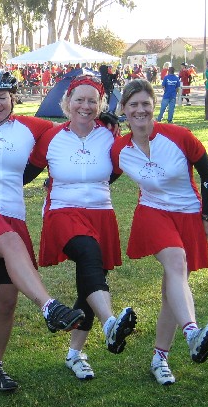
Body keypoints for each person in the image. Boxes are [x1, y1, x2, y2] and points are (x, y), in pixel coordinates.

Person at [0, 68, 86, 392]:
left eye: (2, 97)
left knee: (6, 302)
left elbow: (71, 129)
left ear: (13, 98)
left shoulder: (32, 127)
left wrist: (104, 121)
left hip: (10, 216)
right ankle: (50, 307)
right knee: (10, 242)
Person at [26, 75, 137, 380]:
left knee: (91, 282)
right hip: (62, 212)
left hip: (101, 213)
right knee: (88, 254)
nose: (85, 106)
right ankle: (110, 323)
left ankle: (75, 354)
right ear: (67, 102)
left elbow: (116, 170)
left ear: (101, 105)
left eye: (92, 101)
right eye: (79, 100)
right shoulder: (51, 137)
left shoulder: (110, 136)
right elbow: (23, 174)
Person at [111, 79, 208, 386]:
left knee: (173, 287)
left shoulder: (179, 136)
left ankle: (160, 358)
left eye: (146, 104)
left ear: (154, 106)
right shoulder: (119, 148)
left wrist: (207, 215)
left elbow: (207, 173)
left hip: (188, 214)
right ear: (123, 109)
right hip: (152, 212)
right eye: (133, 105)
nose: (140, 110)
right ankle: (192, 333)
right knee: (175, 263)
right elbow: (101, 175)